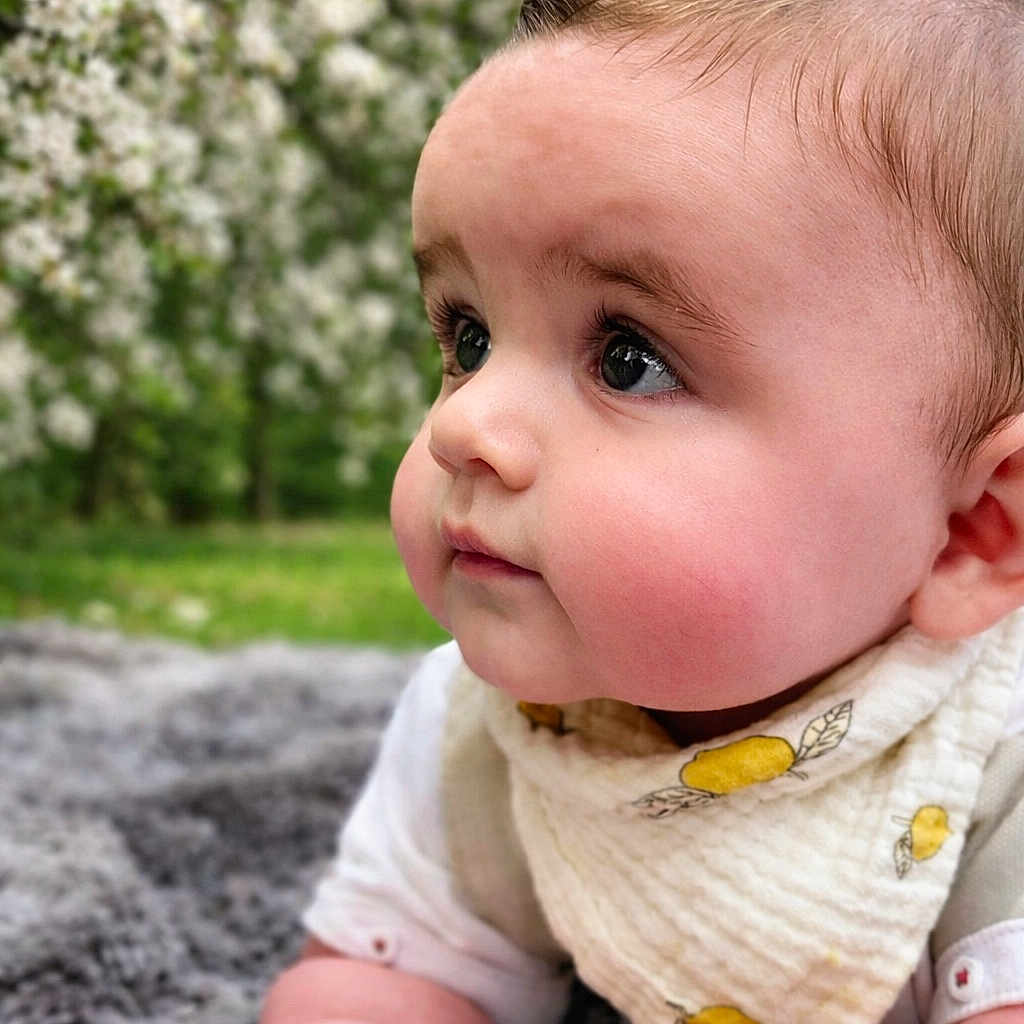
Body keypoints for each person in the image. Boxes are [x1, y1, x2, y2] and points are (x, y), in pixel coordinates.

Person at [261, 1, 1024, 1021]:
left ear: (971, 533)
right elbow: (386, 972)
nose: (464, 424)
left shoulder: (996, 752)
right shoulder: (481, 732)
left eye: (629, 359)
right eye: (468, 336)